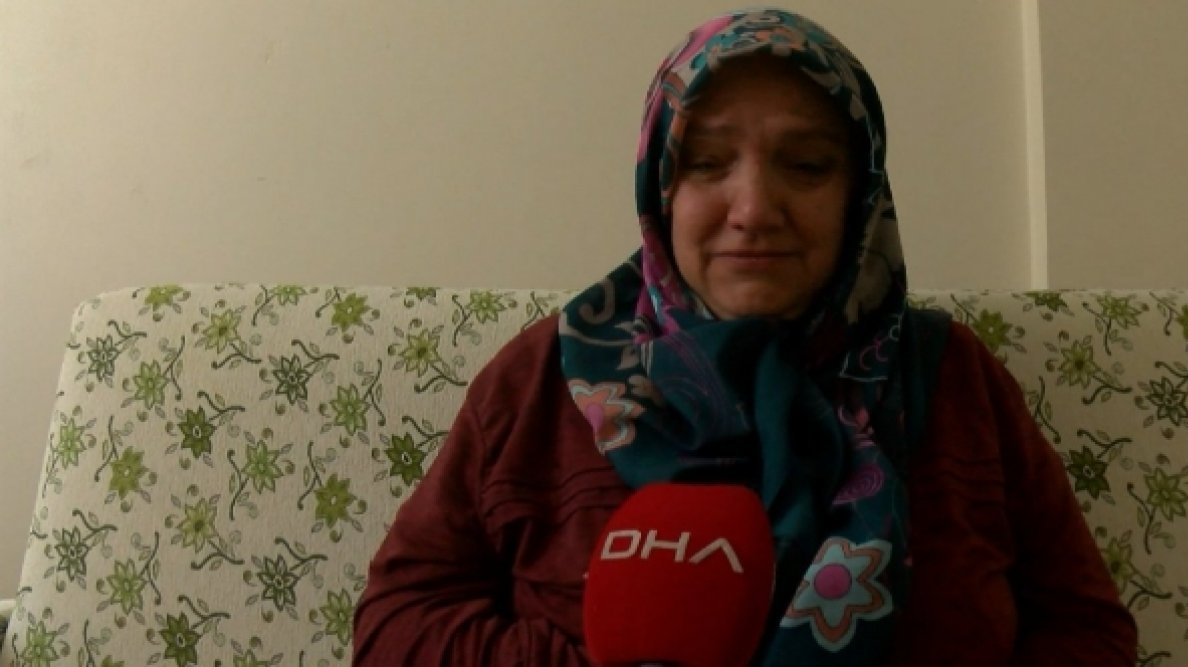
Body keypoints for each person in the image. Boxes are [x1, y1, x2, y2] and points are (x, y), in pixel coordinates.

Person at [354, 8, 1137, 665]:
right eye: (706, 163)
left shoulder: (952, 377)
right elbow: (396, 624)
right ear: (660, 186)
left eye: (807, 165)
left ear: (861, 193)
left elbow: (1087, 628)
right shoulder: (544, 375)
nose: (755, 208)